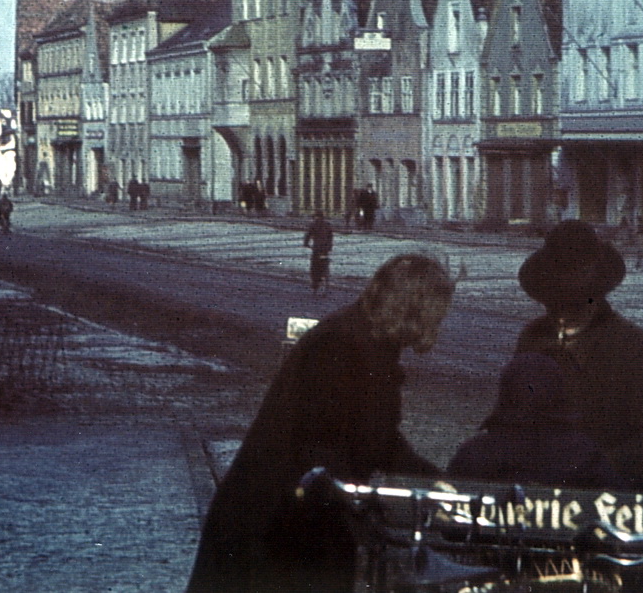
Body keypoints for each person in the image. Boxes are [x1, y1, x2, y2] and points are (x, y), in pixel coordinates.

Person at [185, 253, 455, 593]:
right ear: (415, 308)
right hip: (275, 524)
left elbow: (374, 438)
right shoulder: (342, 345)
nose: (438, 325)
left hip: (287, 519)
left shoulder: (361, 337)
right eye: (437, 315)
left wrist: (432, 479)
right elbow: (326, 444)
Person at [513, 222, 643, 492]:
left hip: (615, 500)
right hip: (542, 498)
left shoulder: (635, 349)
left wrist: (586, 468)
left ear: (595, 297)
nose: (561, 313)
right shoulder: (533, 338)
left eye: (574, 303)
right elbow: (511, 419)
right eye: (552, 302)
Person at [446, 352, 619, 489]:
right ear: (559, 394)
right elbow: (619, 510)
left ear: (506, 393)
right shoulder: (585, 455)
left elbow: (445, 518)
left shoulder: (474, 453)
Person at [301, 211, 333, 294]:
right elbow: (331, 236)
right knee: (325, 263)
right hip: (325, 249)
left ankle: (315, 283)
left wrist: (306, 244)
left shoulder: (313, 224)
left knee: (314, 267)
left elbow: (308, 235)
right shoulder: (328, 224)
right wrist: (329, 247)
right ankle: (325, 277)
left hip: (317, 249)